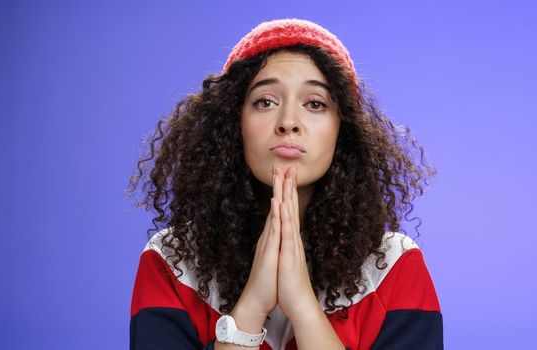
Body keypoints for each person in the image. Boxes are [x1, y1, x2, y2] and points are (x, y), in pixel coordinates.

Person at [126, 18, 441, 350]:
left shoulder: (394, 264)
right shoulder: (171, 261)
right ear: (234, 123)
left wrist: (302, 306)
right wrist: (252, 305)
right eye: (265, 101)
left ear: (342, 130)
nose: (289, 122)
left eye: (315, 103)